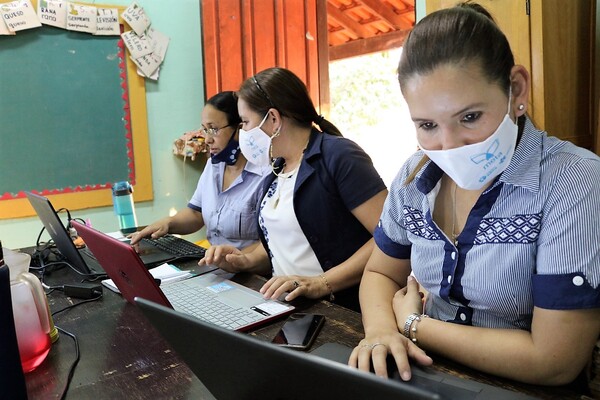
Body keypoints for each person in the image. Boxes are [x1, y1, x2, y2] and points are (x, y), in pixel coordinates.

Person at [350, 2, 600, 387]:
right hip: (424, 379)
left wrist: (413, 325)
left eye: (469, 117)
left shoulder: (573, 181)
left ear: (515, 88)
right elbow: (381, 270)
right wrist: (382, 330)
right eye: (428, 125)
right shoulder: (414, 177)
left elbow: (554, 360)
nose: (449, 146)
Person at [200, 67, 388, 311]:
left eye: (245, 123)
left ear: (274, 119)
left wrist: (322, 283)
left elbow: (389, 236)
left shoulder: (339, 156)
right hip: (287, 306)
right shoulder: (277, 166)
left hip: (342, 309)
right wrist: (244, 260)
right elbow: (284, 246)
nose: (242, 133)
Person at [131, 91, 270, 250]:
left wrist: (238, 260)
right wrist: (167, 223)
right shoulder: (214, 166)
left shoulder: (266, 174)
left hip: (249, 271)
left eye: (213, 129)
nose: (208, 139)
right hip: (215, 266)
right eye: (205, 130)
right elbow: (196, 214)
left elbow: (270, 243)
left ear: (240, 128)